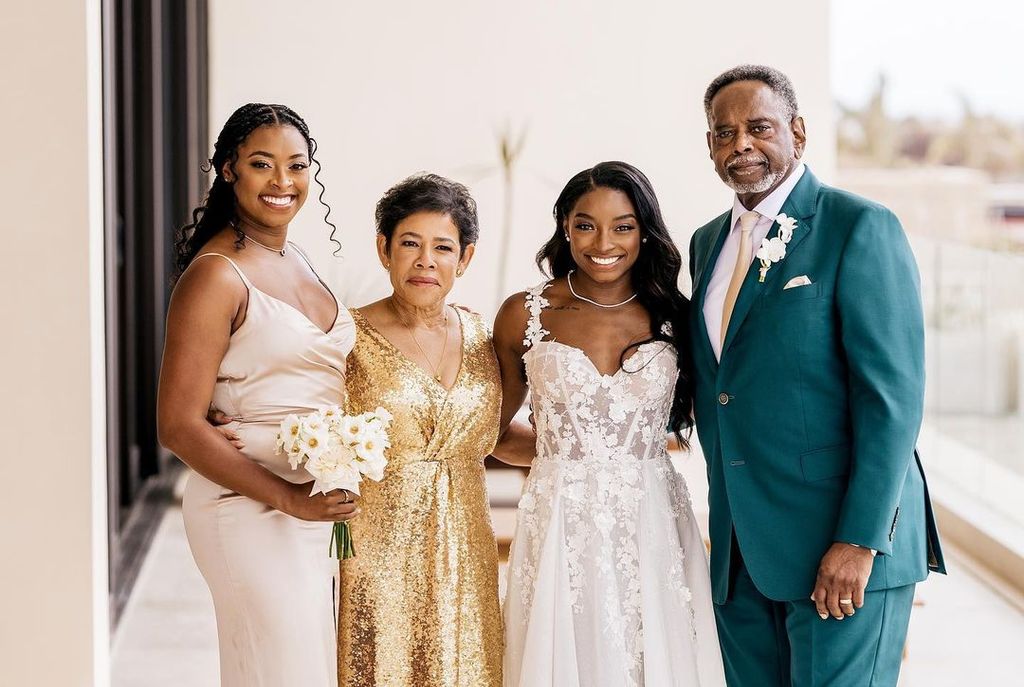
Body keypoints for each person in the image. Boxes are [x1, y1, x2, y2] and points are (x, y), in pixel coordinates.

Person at [689, 65, 946, 686]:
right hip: (743, 553)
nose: (741, 144)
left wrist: (860, 541)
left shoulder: (859, 226)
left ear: (797, 132)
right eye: (724, 133)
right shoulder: (705, 244)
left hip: (842, 547)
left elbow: (891, 401)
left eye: (759, 127)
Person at [496, 161, 726, 686]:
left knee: (656, 651)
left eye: (622, 226)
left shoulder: (675, 315)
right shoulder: (524, 313)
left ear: (644, 231)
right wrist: (568, 458)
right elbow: (493, 432)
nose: (604, 241)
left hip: (653, 516)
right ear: (564, 227)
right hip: (558, 519)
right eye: (585, 224)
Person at [157, 103, 355, 687]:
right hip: (246, 506)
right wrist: (288, 499)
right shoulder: (216, 275)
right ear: (227, 170)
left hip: (313, 504)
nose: (282, 182)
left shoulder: (295, 256)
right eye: (262, 164)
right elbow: (178, 425)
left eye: (297, 166)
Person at [337, 173, 520, 687]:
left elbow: (498, 436)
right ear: (384, 249)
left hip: (466, 547)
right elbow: (306, 418)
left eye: (443, 247)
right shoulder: (346, 337)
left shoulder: (484, 334)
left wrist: (585, 453)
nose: (425, 261)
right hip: (379, 553)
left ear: (464, 258)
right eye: (410, 243)